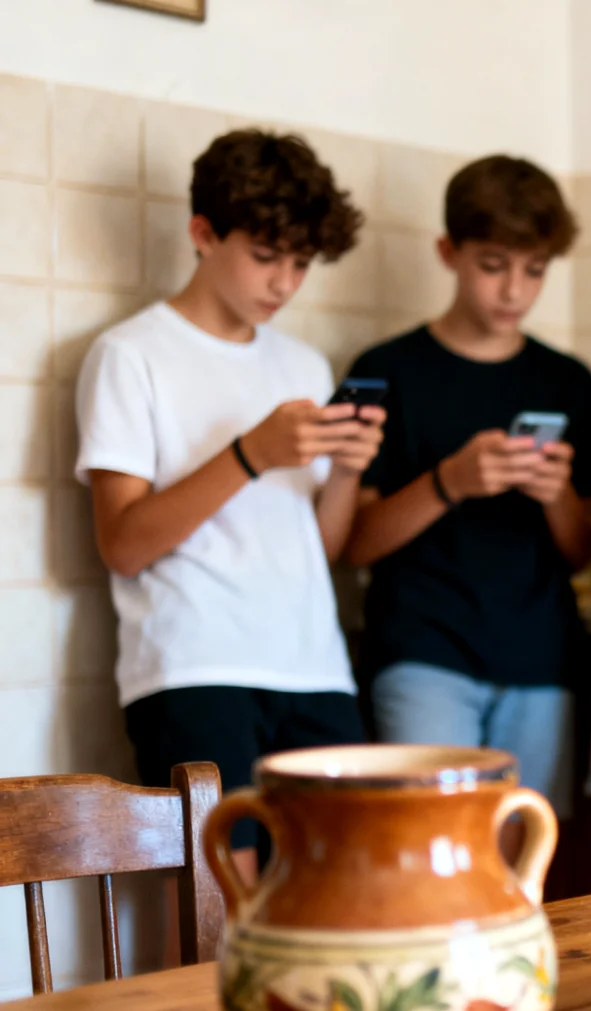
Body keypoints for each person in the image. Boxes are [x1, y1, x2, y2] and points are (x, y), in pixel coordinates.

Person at [76, 129, 379, 889]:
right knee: (226, 922)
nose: (283, 282)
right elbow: (122, 542)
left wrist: (346, 471)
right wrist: (250, 452)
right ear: (203, 234)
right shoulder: (130, 355)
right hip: (193, 664)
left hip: (314, 668)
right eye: (266, 255)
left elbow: (323, 544)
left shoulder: (303, 364)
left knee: (335, 905)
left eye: (301, 263)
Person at [342, 156, 591, 820]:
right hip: (422, 651)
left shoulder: (567, 380)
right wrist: (448, 481)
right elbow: (356, 544)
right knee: (430, 852)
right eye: (494, 265)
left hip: (540, 660)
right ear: (448, 252)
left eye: (535, 269)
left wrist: (555, 496)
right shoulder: (387, 372)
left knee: (522, 865)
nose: (514, 289)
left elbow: (582, 552)